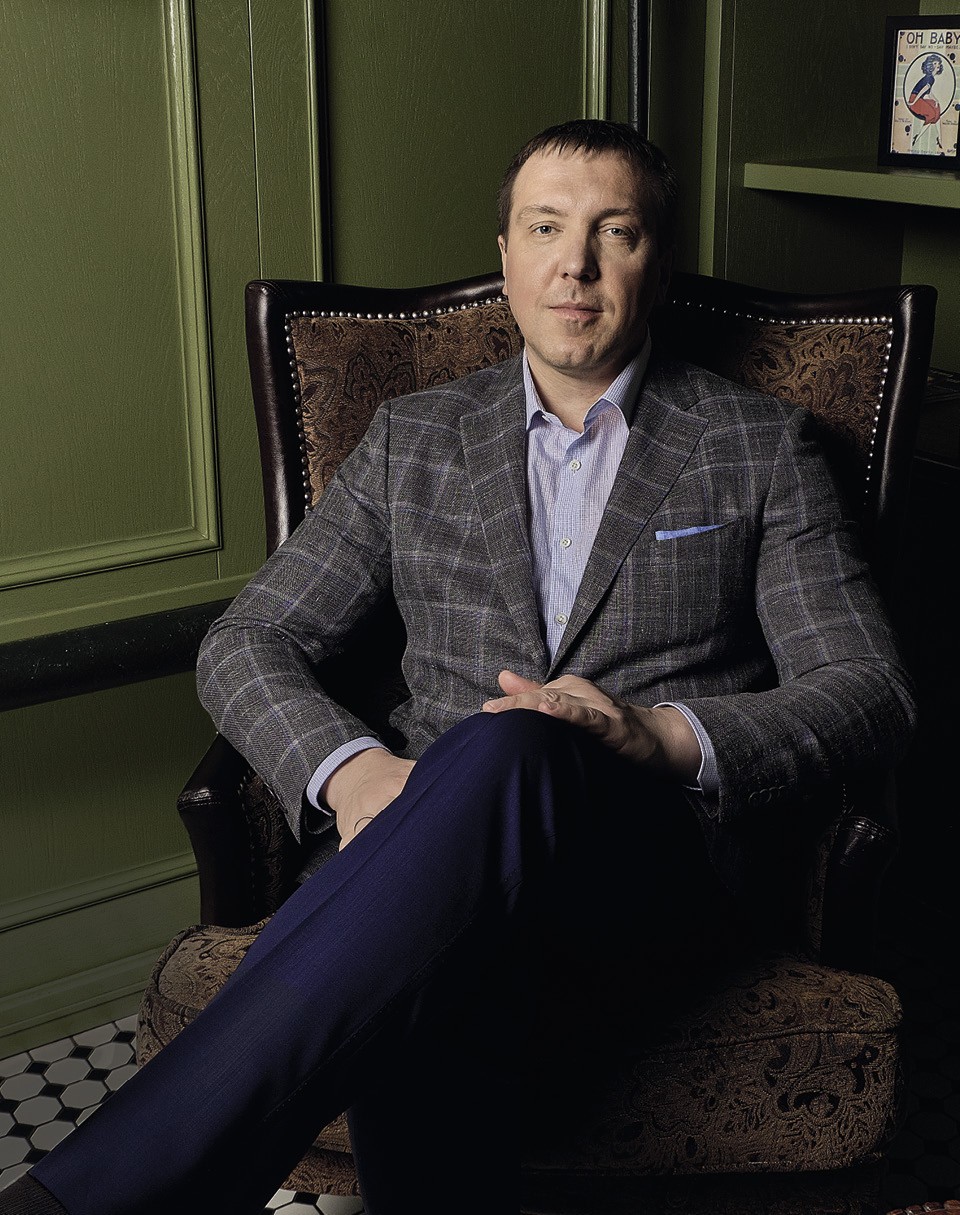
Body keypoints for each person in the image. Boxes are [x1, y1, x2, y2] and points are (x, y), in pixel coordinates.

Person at [2, 119, 916, 1215]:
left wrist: (658, 734)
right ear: (507, 256)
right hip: (428, 840)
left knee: (491, 780)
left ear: (658, 263)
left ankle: (83, 1198)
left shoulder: (760, 445)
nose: (576, 265)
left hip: (648, 863)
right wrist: (354, 776)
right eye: (547, 228)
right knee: (430, 949)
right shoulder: (414, 437)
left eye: (615, 233)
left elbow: (870, 688)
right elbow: (248, 639)